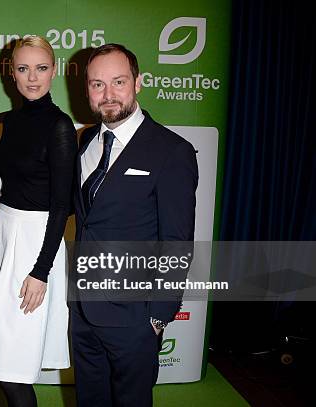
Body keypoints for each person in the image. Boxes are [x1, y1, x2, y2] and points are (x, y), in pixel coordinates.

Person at [71, 43, 198, 407]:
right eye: (97, 84)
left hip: (135, 317)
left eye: (118, 82)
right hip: (82, 309)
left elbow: (177, 241)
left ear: (138, 83)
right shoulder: (84, 141)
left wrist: (158, 317)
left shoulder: (172, 150)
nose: (108, 95)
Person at [0, 36, 77, 407]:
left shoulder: (60, 126)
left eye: (41, 68)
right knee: (0, 359)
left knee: (14, 367)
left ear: (54, 70)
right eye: (23, 68)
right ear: (10, 73)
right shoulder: (7, 121)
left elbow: (62, 205)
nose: (32, 78)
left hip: (36, 245)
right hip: (3, 237)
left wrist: (41, 271)